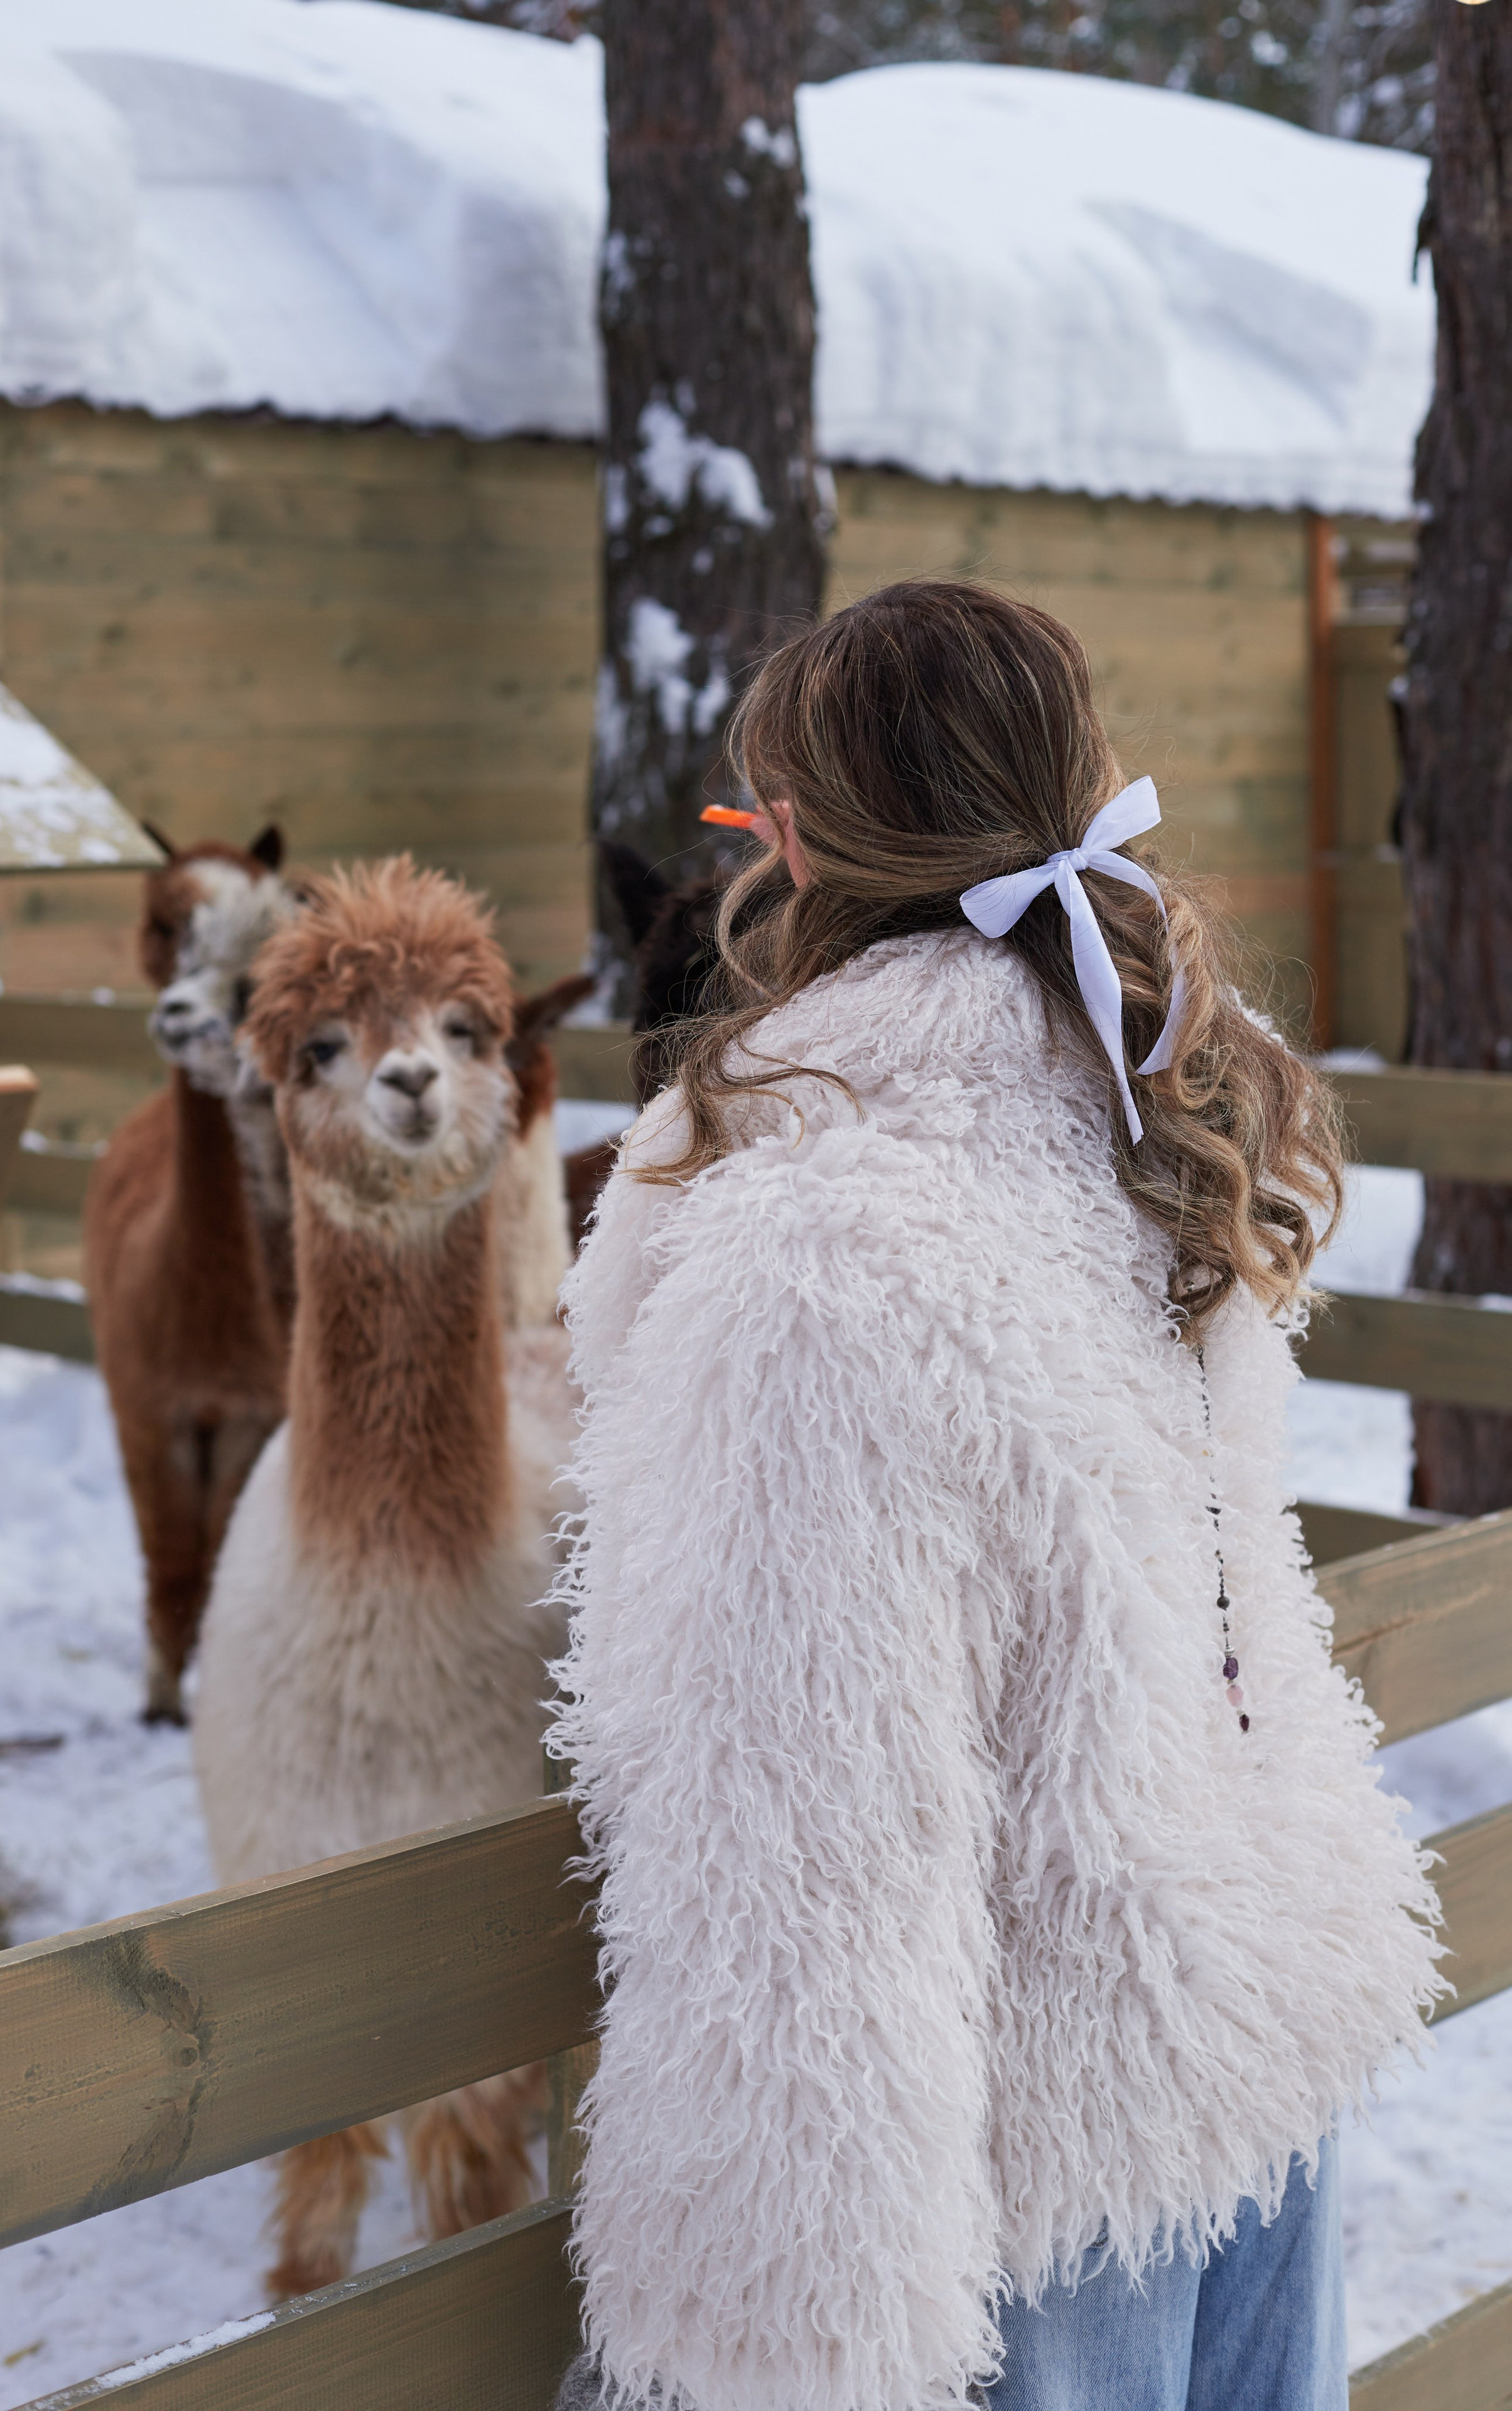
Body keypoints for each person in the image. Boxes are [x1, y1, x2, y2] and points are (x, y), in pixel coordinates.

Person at [548, 580, 1441, 2411]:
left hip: (1039, 2166)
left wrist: (791, 2327)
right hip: (1245, 2046)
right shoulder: (1143, 1118)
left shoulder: (818, 1249)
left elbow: (807, 1840)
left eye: (765, 811)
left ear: (806, 842)